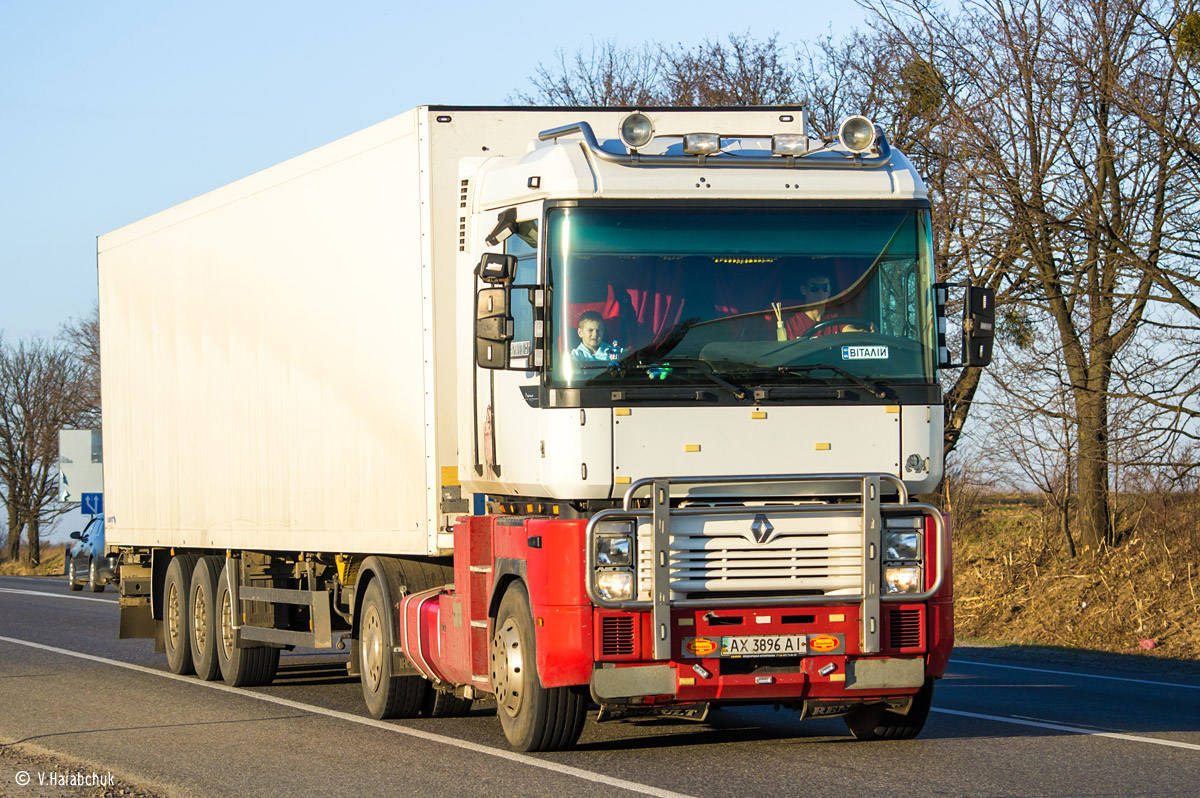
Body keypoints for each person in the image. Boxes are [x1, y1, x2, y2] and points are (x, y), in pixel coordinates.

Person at [784, 272, 866, 338]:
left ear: (829, 291)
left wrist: (868, 333)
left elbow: (850, 331)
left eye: (824, 287)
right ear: (803, 290)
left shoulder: (836, 319)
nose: (820, 292)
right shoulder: (790, 323)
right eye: (814, 288)